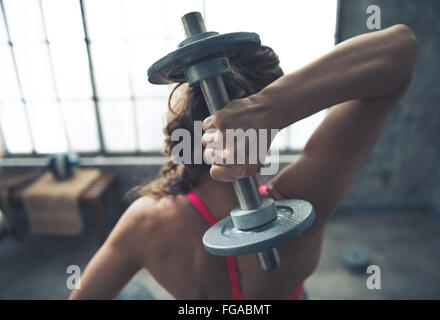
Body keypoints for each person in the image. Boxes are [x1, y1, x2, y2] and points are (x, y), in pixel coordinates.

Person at [69, 24, 419, 300]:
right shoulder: (303, 197)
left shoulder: (143, 221)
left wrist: (263, 108)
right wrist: (271, 108)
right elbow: (401, 50)